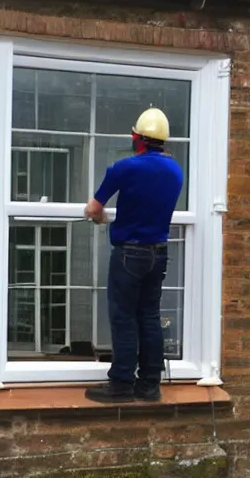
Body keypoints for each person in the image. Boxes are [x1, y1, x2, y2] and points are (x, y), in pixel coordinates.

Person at [84, 107, 183, 403]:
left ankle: (121, 384)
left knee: (124, 317)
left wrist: (101, 219)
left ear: (136, 137)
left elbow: (93, 208)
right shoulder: (175, 171)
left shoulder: (124, 167)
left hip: (129, 253)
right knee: (149, 317)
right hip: (158, 254)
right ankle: (150, 385)